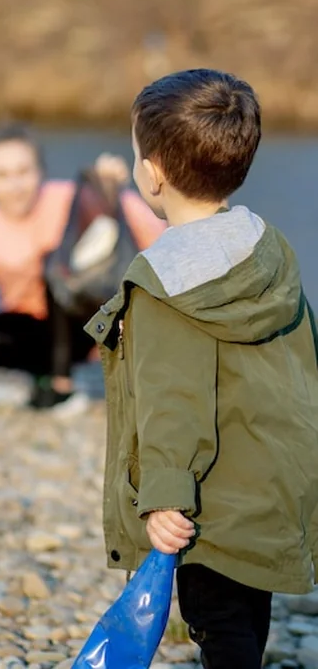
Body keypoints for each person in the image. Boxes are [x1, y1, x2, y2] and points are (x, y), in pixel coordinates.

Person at [85, 69, 318, 669]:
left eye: (136, 152)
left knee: (216, 624)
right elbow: (302, 366)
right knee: (245, 619)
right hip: (269, 488)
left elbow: (173, 398)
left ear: (154, 172)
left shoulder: (165, 282)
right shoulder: (266, 249)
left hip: (206, 505)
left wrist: (164, 498)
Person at [0, 125, 165, 410]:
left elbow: (152, 230)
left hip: (89, 318)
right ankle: (52, 375)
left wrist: (109, 189)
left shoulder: (71, 198)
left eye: (23, 172)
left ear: (41, 171)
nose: (16, 185)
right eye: (3, 175)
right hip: (37, 331)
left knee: (54, 265)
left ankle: (62, 384)